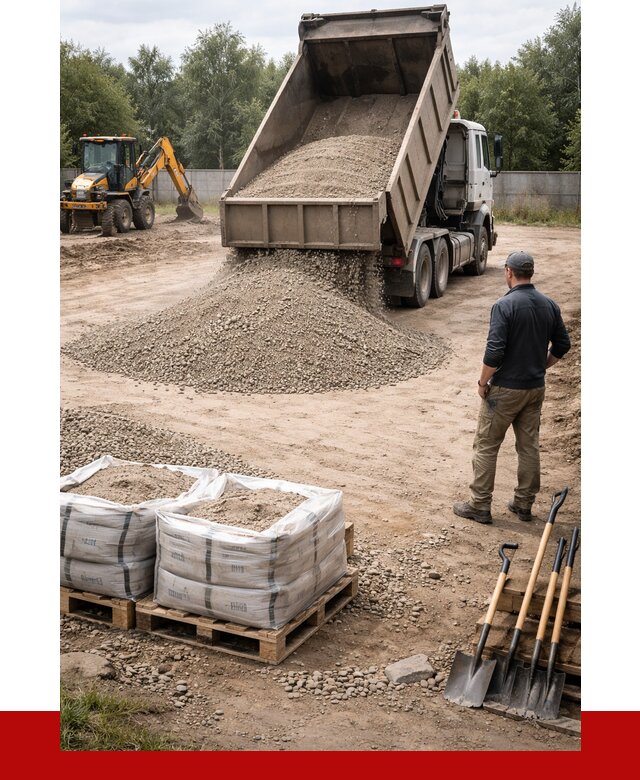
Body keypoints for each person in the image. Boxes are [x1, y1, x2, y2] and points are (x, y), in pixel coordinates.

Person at [453, 250, 571, 524]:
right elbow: (563, 344)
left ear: (509, 272)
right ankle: (523, 504)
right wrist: (542, 366)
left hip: (505, 390)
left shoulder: (504, 306)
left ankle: (479, 505)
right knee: (528, 447)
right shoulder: (549, 305)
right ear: (531, 272)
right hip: (534, 389)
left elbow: (494, 352)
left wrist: (483, 382)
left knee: (486, 445)